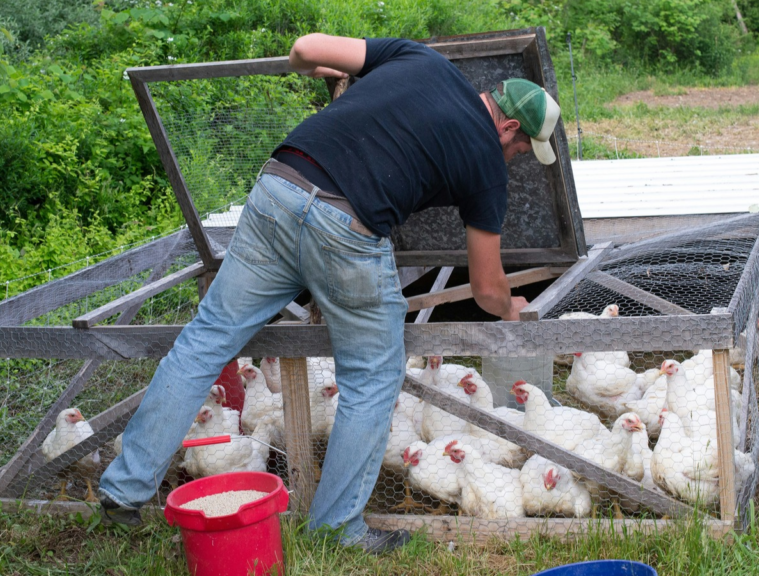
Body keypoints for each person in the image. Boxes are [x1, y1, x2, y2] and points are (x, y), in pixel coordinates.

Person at [98, 33, 561, 554]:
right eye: (523, 148)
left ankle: (123, 488)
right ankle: (336, 528)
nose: (517, 158)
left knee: (204, 341)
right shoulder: (486, 161)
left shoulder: (420, 58)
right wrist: (514, 311)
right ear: (509, 125)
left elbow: (306, 46)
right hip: (348, 224)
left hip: (278, 186)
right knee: (371, 378)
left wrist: (308, 68)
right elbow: (486, 286)